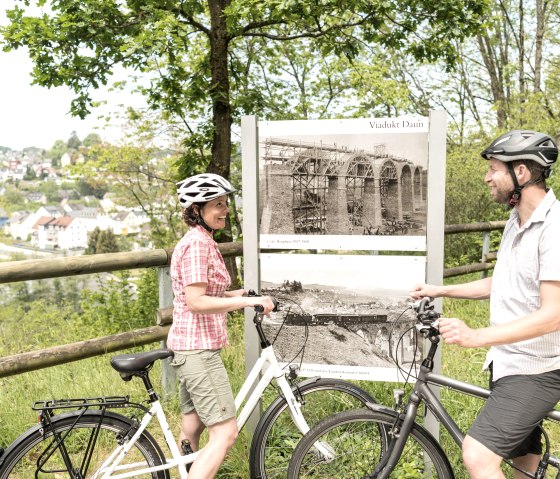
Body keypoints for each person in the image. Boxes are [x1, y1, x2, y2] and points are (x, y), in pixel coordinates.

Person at [410, 130, 560, 479]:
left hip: (536, 370)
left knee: (478, 456)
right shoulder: (516, 221)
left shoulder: (553, 228)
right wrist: (440, 290)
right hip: (509, 362)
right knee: (523, 462)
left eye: (493, 168)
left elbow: (554, 314)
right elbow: (502, 283)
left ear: (520, 173)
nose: (487, 177)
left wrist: (478, 336)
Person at [167, 173, 275, 479]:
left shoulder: (203, 242)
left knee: (192, 426)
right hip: (197, 351)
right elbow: (196, 301)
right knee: (226, 433)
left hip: (192, 347)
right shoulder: (198, 246)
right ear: (197, 209)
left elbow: (205, 293)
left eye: (225, 202)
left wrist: (236, 294)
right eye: (217, 204)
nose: (224, 209)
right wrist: (244, 304)